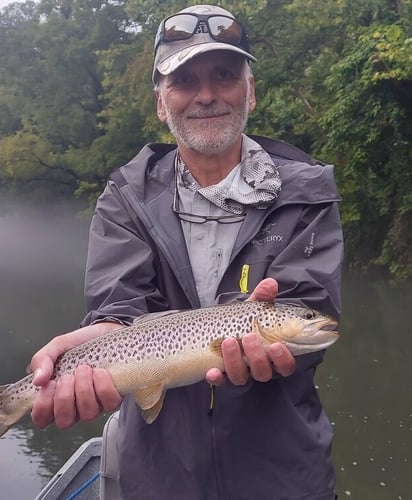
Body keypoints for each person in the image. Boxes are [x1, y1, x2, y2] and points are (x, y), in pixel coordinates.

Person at [30, 4, 343, 499]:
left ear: (251, 91)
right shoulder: (125, 196)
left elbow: (314, 317)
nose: (206, 95)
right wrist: (103, 334)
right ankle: (9, 402)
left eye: (224, 75)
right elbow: (118, 308)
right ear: (161, 102)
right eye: (184, 80)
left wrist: (283, 341)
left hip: (282, 473)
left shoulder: (307, 191)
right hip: (158, 474)